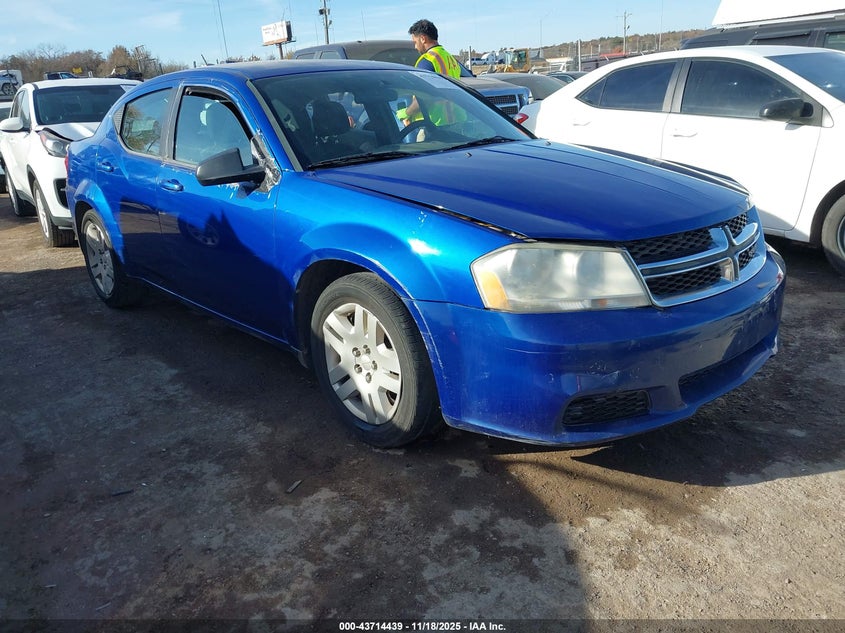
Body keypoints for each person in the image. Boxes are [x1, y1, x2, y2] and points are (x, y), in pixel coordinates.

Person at [401, 19, 463, 130]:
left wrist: (406, 112)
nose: (415, 47)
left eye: (415, 42)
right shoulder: (450, 58)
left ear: (423, 39)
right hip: (456, 120)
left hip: (433, 124)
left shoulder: (427, 60)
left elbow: (424, 97)